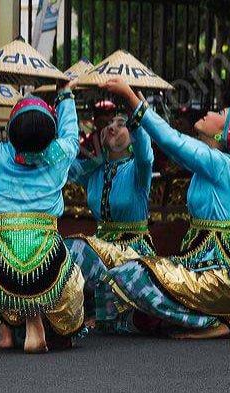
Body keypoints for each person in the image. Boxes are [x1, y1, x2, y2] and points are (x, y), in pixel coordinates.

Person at [95, 77, 230, 339]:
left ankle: (211, 321)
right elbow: (173, 144)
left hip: (222, 276)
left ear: (223, 134)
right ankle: (199, 318)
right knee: (118, 278)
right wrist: (135, 106)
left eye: (218, 113)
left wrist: (132, 99)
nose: (209, 111)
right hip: (199, 264)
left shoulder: (223, 165)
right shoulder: (210, 163)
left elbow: (173, 141)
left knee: (134, 274)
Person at [0, 66, 85, 353]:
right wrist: (64, 94)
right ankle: (36, 319)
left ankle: (6, 332)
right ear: (49, 136)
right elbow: (72, 136)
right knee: (71, 272)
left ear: (10, 132)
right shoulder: (57, 156)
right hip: (47, 262)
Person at [64, 107, 156, 326]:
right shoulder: (95, 170)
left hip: (132, 252)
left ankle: (107, 314)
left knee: (77, 248)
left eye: (121, 123)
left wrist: (136, 119)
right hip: (101, 247)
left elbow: (145, 152)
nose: (112, 127)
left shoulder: (139, 170)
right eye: (110, 124)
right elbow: (62, 169)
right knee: (65, 251)